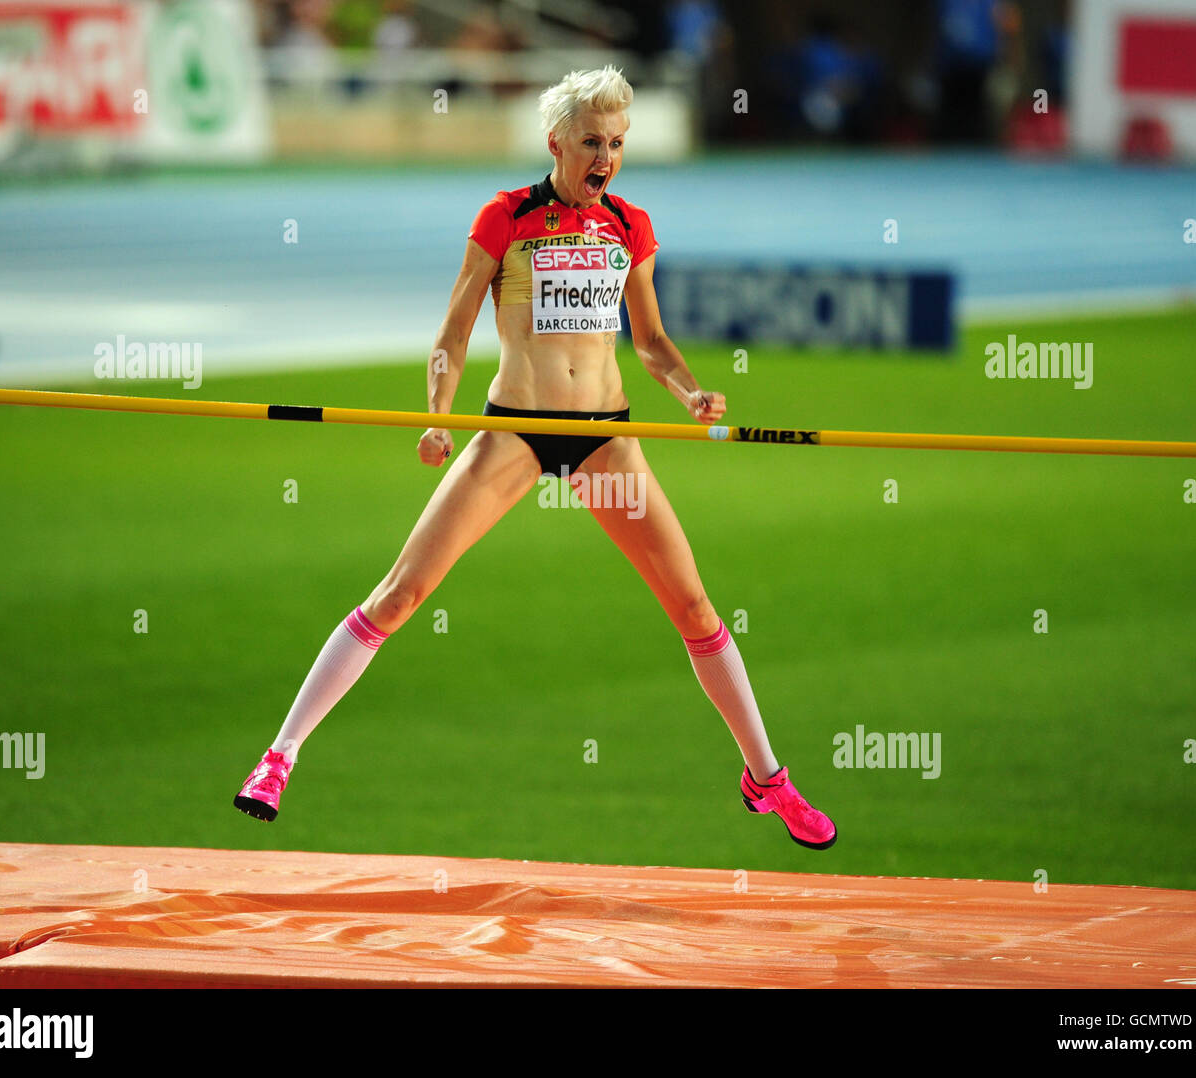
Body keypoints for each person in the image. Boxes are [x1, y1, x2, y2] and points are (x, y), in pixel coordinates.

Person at [234, 65, 836, 851]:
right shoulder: (506, 216)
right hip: (516, 430)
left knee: (692, 608)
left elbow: (649, 342)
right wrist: (438, 419)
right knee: (403, 591)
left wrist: (690, 394)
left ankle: (768, 780)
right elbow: (451, 334)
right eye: (592, 142)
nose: (605, 158)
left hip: (606, 437)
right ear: (556, 142)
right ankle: (280, 756)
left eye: (618, 144)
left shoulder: (631, 225)